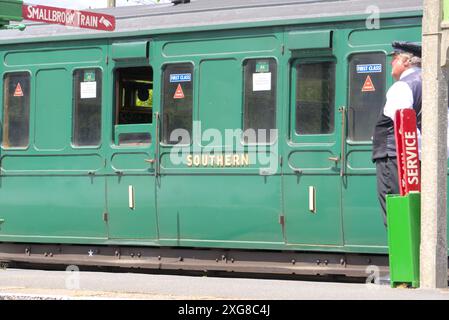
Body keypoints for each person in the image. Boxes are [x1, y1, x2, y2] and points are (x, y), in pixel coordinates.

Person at [372, 41, 422, 227]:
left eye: (394, 58)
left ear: (406, 61)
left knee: (397, 214)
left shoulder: (403, 86)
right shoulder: (432, 81)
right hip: (415, 159)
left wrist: (415, 154)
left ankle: (403, 256)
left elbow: (403, 125)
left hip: (395, 158)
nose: (392, 63)